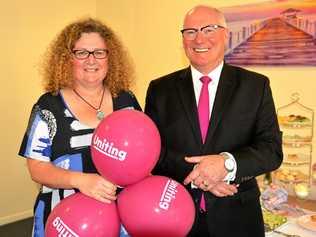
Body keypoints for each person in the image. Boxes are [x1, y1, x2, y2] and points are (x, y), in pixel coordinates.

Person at [145, 5, 283, 237]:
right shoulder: (160, 89)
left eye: (209, 29)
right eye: (190, 31)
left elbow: (271, 150)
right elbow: (152, 151)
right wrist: (201, 175)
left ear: (226, 35)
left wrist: (227, 165)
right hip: (175, 215)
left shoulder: (255, 86)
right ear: (182, 39)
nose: (199, 38)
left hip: (238, 219)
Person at [19, 18, 141, 236]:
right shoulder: (48, 105)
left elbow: (142, 154)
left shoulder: (127, 100)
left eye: (99, 52)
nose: (91, 60)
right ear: (67, 59)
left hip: (122, 218)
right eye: (81, 53)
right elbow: (36, 167)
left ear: (110, 57)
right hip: (66, 222)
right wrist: (81, 180)